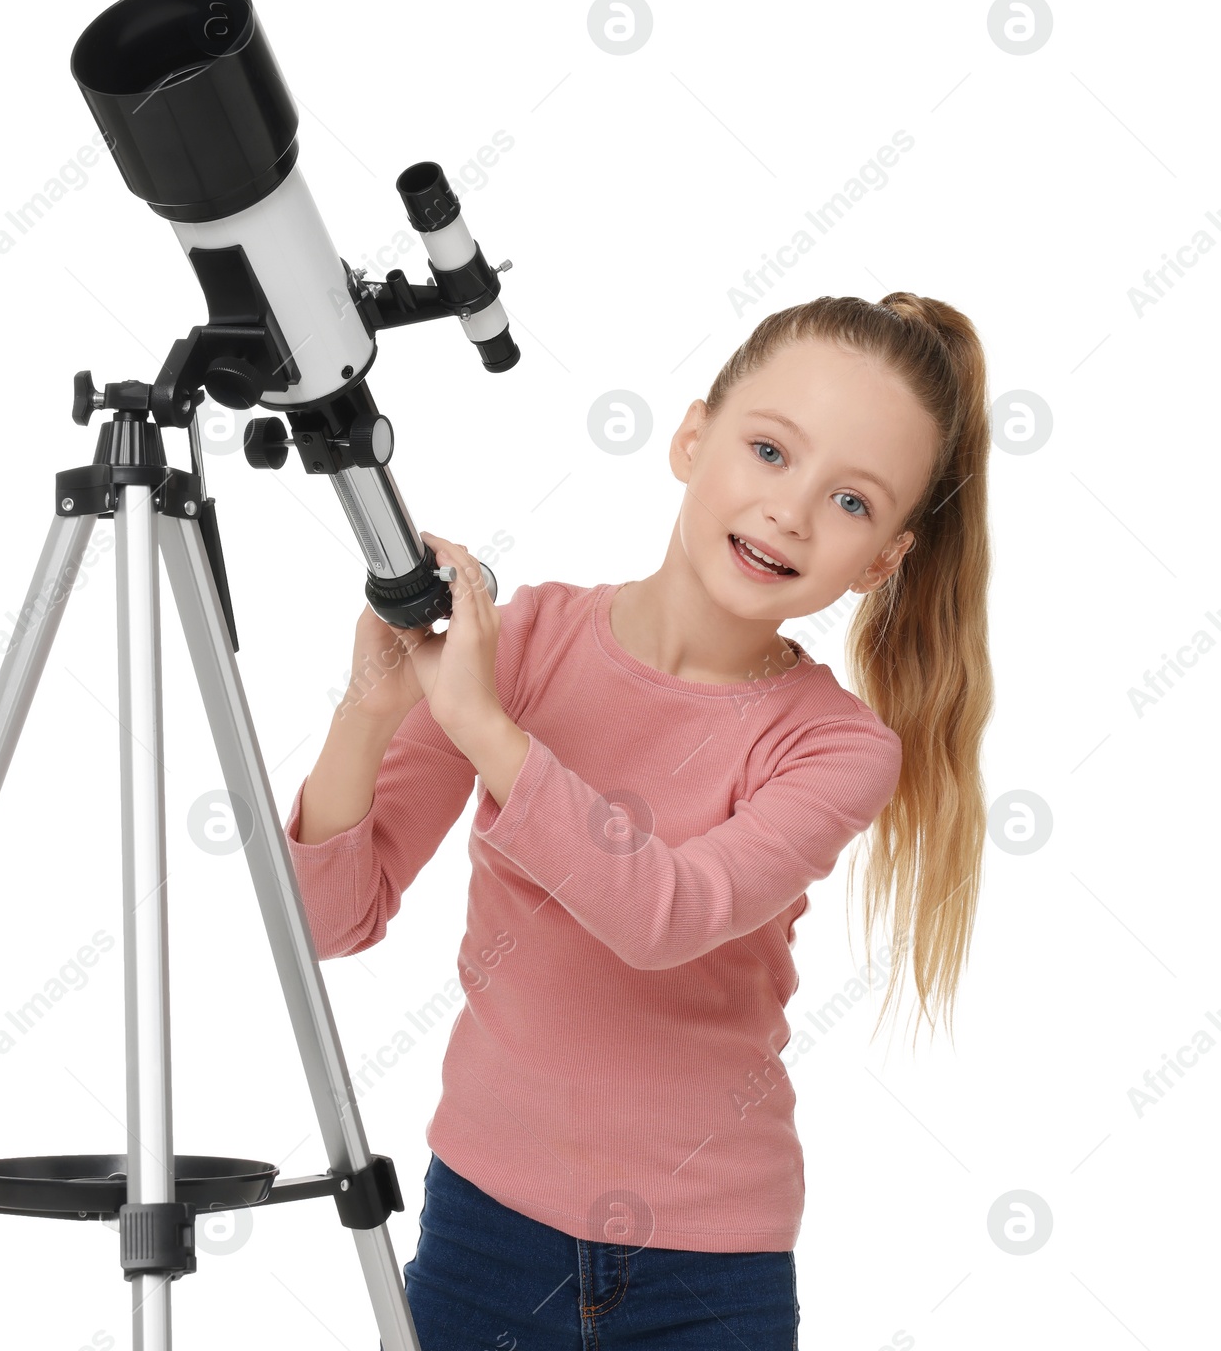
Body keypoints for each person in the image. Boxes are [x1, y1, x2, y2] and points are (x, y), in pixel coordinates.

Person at [284, 293, 995, 1348]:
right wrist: (370, 709)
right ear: (692, 437)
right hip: (484, 1230)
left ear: (884, 559)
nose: (790, 512)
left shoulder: (836, 748)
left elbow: (663, 914)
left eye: (852, 502)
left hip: (707, 1275)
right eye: (767, 450)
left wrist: (482, 725)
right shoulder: (522, 646)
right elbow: (325, 923)